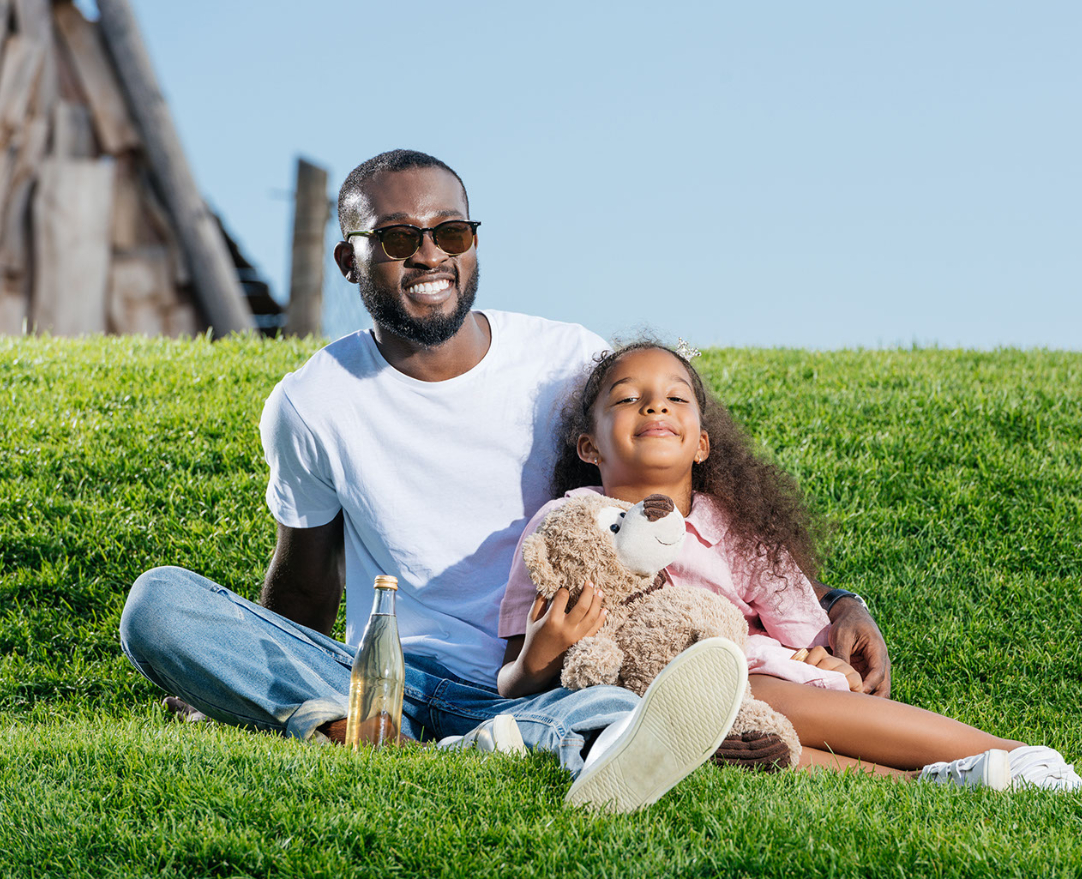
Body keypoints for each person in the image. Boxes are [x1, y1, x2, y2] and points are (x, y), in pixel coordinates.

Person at [121, 149, 813, 813]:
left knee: (623, 703)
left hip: (540, 677)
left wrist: (832, 600)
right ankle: (407, 732)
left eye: (451, 231)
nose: (430, 255)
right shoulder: (311, 402)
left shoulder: (564, 358)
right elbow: (304, 583)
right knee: (157, 605)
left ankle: (487, 738)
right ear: (348, 259)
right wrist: (245, 673)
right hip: (384, 677)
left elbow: (670, 502)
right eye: (397, 238)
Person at [497, 340, 1082, 790]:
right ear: (589, 446)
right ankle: (926, 783)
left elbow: (807, 632)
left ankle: (1011, 753)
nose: (655, 404)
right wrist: (543, 653)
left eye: (677, 397)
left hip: (752, 674)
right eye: (628, 397)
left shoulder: (737, 531)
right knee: (726, 739)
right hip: (646, 706)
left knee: (756, 688)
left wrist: (825, 658)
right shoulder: (563, 530)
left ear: (702, 443)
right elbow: (513, 681)